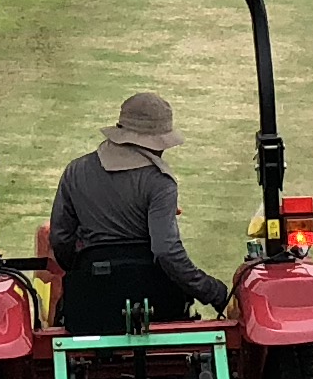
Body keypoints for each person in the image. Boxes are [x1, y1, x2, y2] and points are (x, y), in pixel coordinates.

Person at [49, 91, 234, 330]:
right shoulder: (159, 182)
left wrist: (84, 271)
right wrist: (214, 291)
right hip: (157, 301)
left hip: (91, 300)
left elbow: (60, 238)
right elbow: (166, 252)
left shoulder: (75, 171)